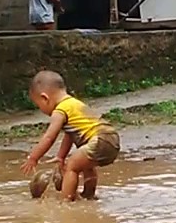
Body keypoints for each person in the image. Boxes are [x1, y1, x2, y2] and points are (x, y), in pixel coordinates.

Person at [20, 70, 121, 201]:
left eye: (38, 106)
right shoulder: (74, 104)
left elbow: (49, 137)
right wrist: (60, 156)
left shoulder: (60, 110)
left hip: (99, 139)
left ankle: (66, 201)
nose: (41, 110)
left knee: (72, 166)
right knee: (86, 166)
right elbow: (70, 135)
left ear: (45, 98)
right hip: (111, 138)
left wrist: (33, 157)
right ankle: (89, 195)